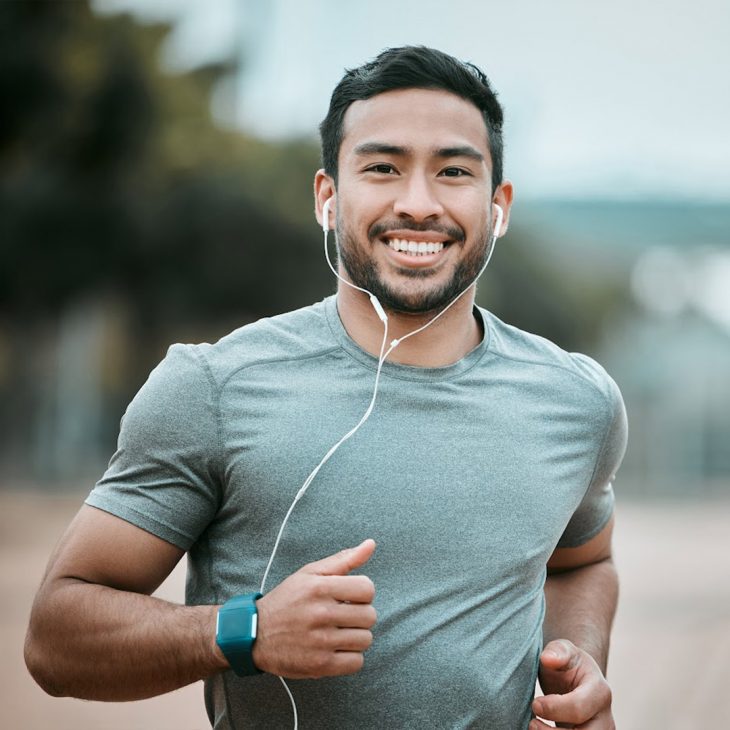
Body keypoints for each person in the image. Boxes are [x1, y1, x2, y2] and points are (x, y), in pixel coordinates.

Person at [25, 46, 627, 729]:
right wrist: (243, 632)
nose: (418, 203)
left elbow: (586, 561)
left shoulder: (577, 401)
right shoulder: (213, 388)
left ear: (498, 206)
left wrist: (577, 659)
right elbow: (54, 637)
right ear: (328, 198)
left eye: (454, 171)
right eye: (383, 168)